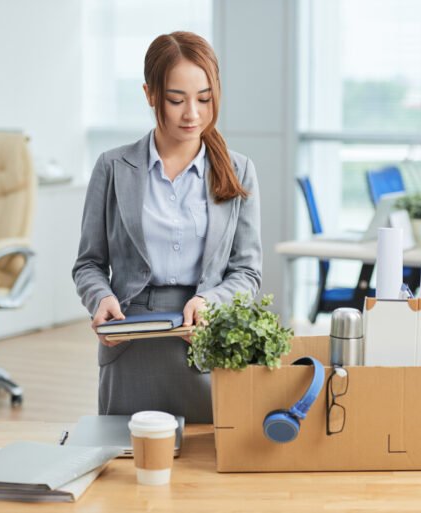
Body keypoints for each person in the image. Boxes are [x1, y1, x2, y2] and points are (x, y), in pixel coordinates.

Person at [72, 31, 262, 422]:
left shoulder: (240, 171)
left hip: (204, 343)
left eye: (204, 99)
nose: (192, 113)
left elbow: (247, 272)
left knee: (204, 470)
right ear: (150, 94)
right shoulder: (112, 168)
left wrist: (211, 302)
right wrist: (100, 299)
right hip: (128, 341)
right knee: (124, 466)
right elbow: (88, 263)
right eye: (177, 100)